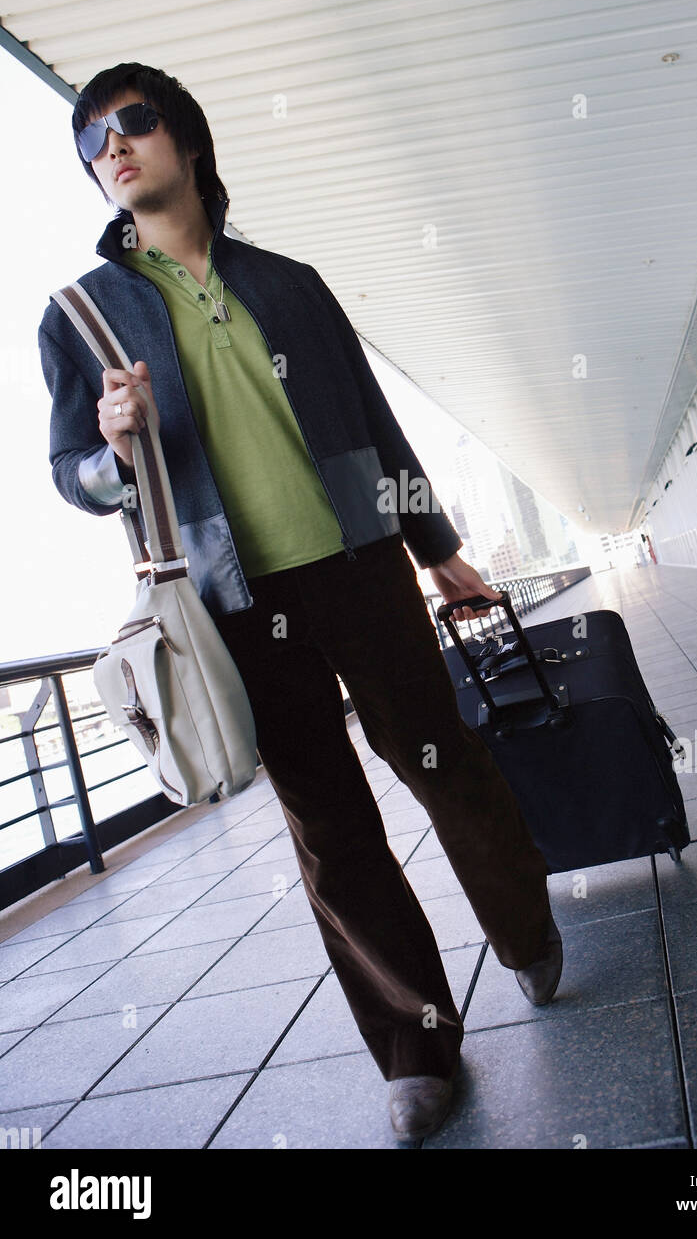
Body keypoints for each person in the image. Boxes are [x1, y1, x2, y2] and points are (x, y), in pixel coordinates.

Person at [38, 63, 562, 1144]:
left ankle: (524, 930)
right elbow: (73, 475)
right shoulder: (81, 317)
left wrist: (440, 545)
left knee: (445, 765)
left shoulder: (290, 283)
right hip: (232, 606)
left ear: (186, 138)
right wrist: (113, 442)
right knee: (330, 825)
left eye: (132, 124)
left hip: (362, 566)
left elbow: (376, 422)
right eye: (92, 140)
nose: (112, 146)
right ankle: (417, 1048)